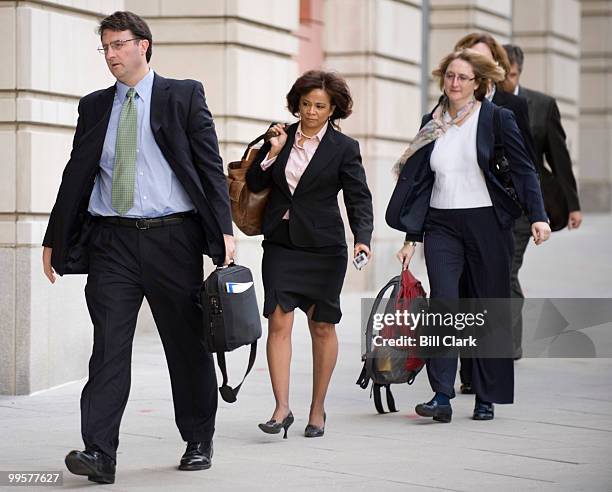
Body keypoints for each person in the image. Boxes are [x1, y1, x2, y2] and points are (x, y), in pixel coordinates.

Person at [42, 11, 235, 484]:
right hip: (113, 243)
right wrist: (55, 235)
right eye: (105, 47)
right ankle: (99, 452)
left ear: (144, 45)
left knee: (185, 346)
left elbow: (209, 166)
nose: (110, 55)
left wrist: (224, 230)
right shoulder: (93, 107)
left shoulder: (182, 96)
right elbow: (76, 174)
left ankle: (197, 438)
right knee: (107, 348)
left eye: (118, 45)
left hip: (174, 237)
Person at [386, 49, 551, 423]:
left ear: (479, 83)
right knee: (445, 304)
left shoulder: (496, 118)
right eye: (450, 76)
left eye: (463, 77)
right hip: (442, 225)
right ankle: (441, 395)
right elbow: (421, 183)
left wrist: (538, 216)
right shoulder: (433, 122)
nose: (455, 83)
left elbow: (525, 171)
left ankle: (486, 395)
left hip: (487, 224)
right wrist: (412, 237)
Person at [246, 70, 373, 438]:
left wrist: (361, 237)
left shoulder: (344, 148)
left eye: (320, 106)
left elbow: (358, 197)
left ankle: (317, 410)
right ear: (296, 104)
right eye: (305, 104)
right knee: (279, 321)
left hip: (323, 248)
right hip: (282, 243)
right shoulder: (280, 136)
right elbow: (255, 183)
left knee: (321, 326)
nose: (311, 112)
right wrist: (270, 153)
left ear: (333, 108)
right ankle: (281, 407)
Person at [453, 32, 537, 385]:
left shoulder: (510, 108)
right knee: (461, 293)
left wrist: (534, 214)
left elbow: (524, 162)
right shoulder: (448, 105)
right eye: (467, 57)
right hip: (455, 213)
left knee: (490, 291)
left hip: (498, 214)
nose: (470, 65)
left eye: (480, 58)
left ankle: (488, 371)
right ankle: (468, 371)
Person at [503, 43, 583, 358]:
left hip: (525, 205)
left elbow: (559, 157)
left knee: (509, 269)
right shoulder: (485, 104)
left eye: (511, 75)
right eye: (502, 74)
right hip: (492, 204)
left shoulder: (541, 104)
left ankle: (508, 345)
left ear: (519, 72)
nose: (506, 81)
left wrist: (572, 203)